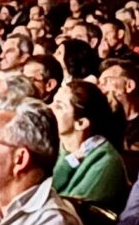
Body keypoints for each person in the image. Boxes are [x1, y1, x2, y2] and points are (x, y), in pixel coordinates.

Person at [49, 80, 130, 211]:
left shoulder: (106, 163)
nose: (48, 108)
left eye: (59, 107)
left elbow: (68, 213)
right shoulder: (56, 148)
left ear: (81, 123)